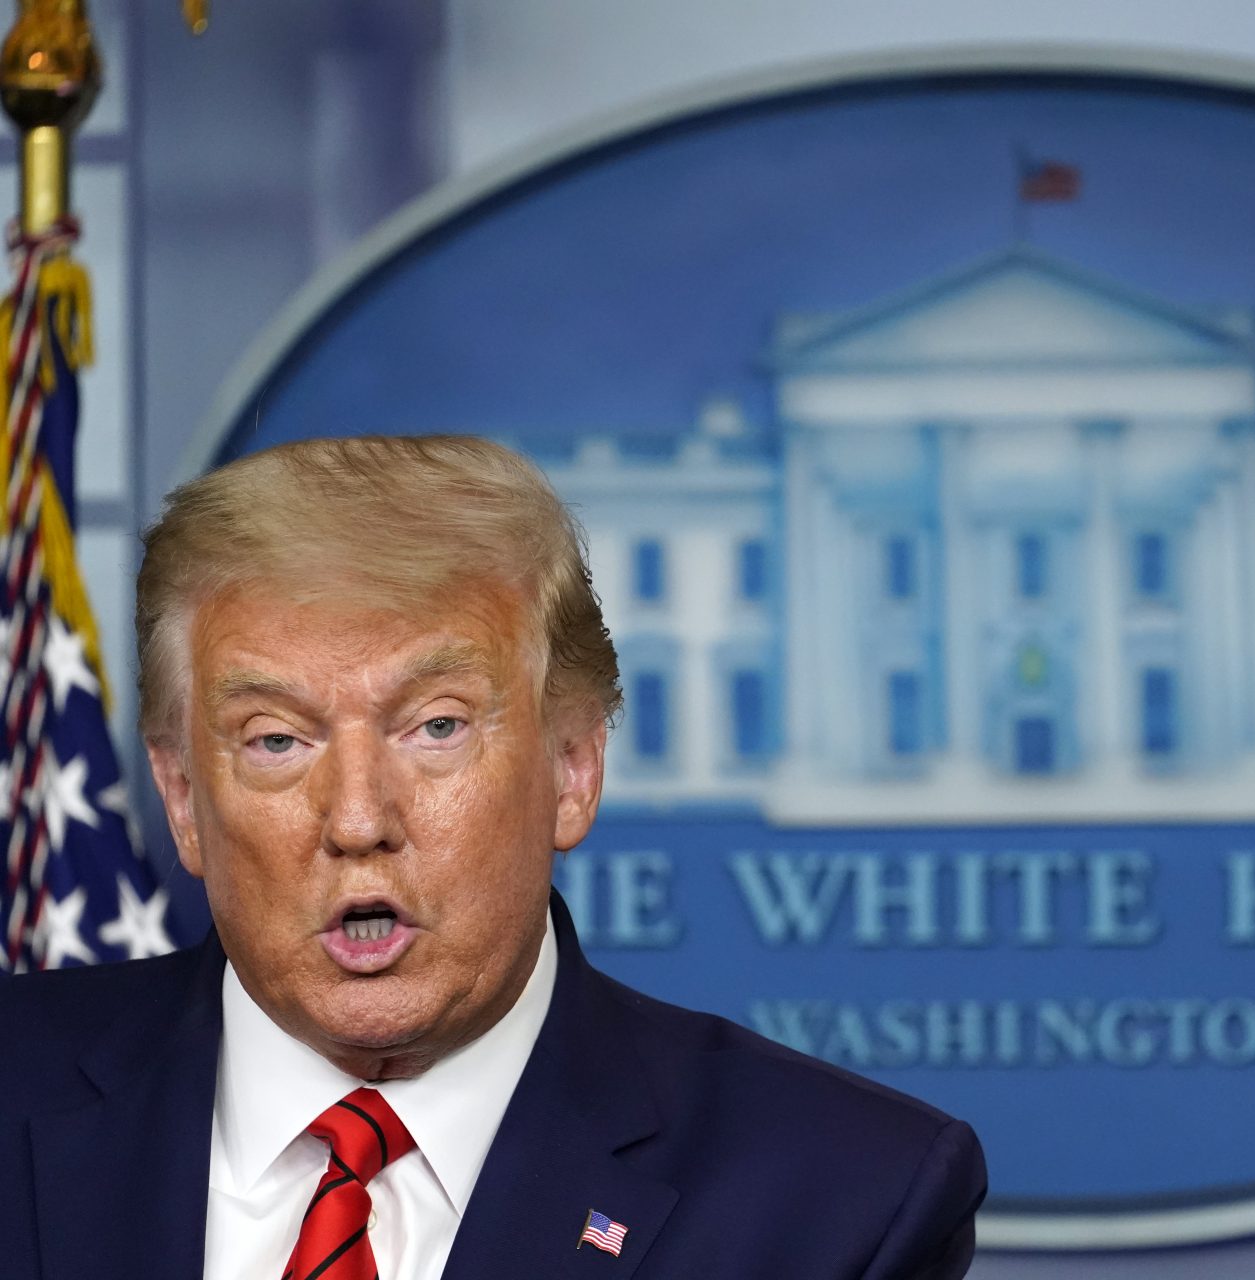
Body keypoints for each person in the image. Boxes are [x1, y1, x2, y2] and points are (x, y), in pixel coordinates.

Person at [0, 435, 986, 1280]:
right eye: (276, 739)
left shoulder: (839, 1200)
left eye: (437, 726)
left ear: (573, 768)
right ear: (182, 798)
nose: (357, 819)